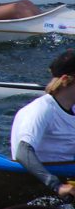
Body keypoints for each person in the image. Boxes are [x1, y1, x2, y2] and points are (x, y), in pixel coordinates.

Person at [11, 49, 75, 199]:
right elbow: (23, 152)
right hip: (45, 184)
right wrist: (57, 186)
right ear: (66, 80)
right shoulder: (41, 109)